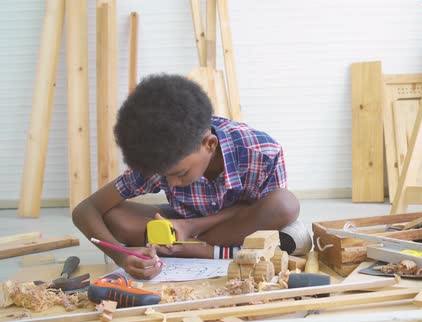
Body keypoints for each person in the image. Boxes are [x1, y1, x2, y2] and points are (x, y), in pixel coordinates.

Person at [72, 74, 312, 280]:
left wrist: (192, 226)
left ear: (209, 145)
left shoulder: (262, 153)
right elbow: (85, 210)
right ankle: (196, 248)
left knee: (285, 205)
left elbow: (265, 217)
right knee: (114, 216)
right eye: (166, 177)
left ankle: (194, 250)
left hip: (235, 224)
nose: (172, 183)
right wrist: (120, 255)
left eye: (180, 174)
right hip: (180, 225)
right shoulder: (158, 158)